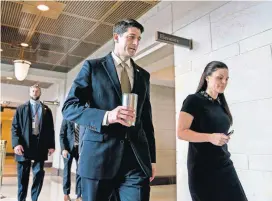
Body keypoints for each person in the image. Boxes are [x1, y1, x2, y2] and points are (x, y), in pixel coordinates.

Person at [62, 19, 156, 201]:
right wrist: (107, 116)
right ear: (116, 37)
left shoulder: (143, 76)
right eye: (131, 37)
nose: (136, 43)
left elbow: (146, 120)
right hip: (99, 159)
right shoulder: (93, 68)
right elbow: (69, 107)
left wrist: (151, 158)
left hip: (135, 160)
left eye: (139, 38)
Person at [177, 61, 248, 201]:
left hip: (224, 164)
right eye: (219, 77)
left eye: (226, 79)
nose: (224, 82)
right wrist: (210, 137)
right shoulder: (193, 101)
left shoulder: (220, 105)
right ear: (207, 77)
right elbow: (181, 132)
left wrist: (222, 138)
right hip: (203, 169)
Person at [11, 84, 55, 201]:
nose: (35, 92)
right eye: (33, 91)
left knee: (39, 173)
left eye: (37, 91)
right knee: (22, 177)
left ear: (40, 93)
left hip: (40, 145)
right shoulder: (21, 108)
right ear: (30, 93)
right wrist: (16, 144)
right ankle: (21, 199)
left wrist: (51, 145)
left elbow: (50, 129)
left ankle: (34, 198)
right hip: (24, 145)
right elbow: (15, 127)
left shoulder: (47, 110)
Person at [59, 119, 82, 201]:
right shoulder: (67, 118)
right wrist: (63, 149)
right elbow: (62, 135)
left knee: (80, 172)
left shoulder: (82, 118)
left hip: (80, 149)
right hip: (68, 149)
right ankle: (66, 194)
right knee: (66, 171)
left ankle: (79, 195)